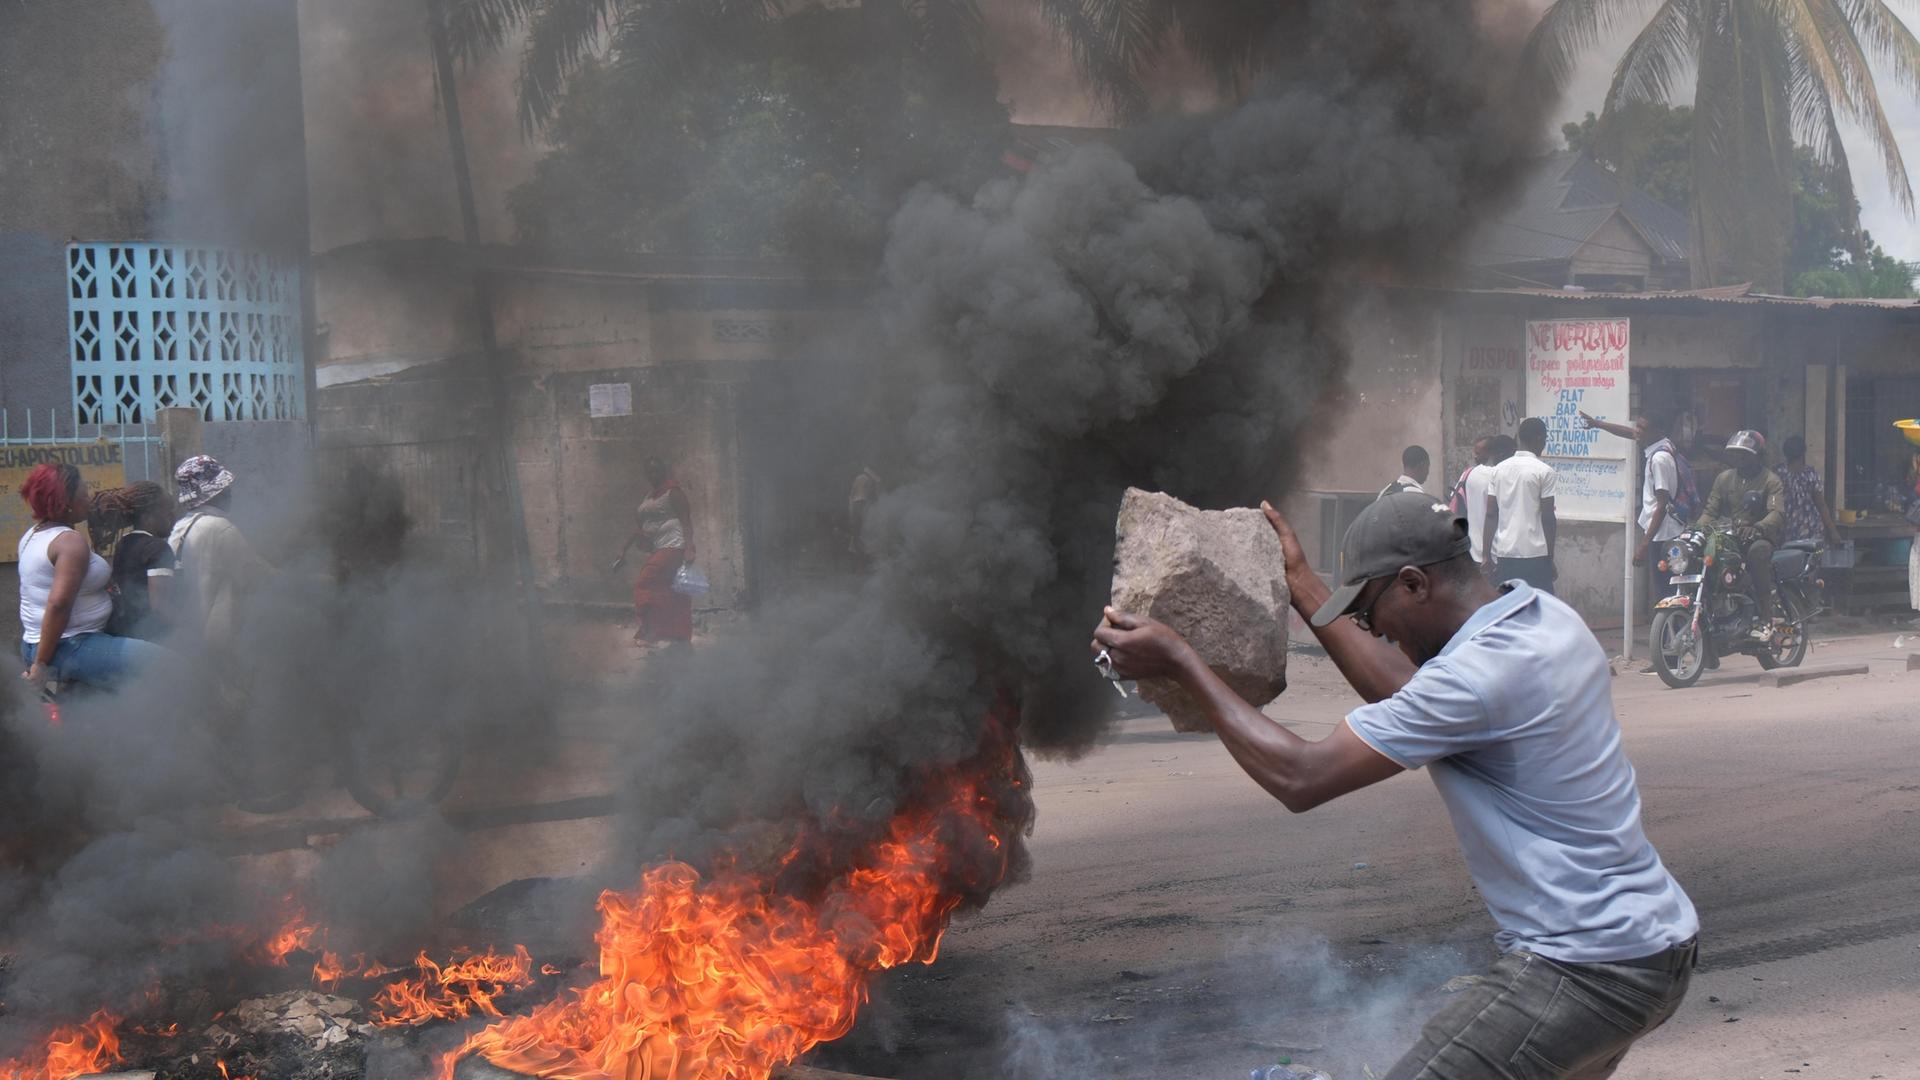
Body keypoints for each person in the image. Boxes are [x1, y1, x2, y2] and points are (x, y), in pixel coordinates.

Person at [1093, 492, 1698, 1079]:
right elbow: (1403, 689)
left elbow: (1300, 777)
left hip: (1586, 968)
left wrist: (1181, 660)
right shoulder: (1542, 617)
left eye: (1368, 614)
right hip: (1657, 944)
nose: (1375, 632)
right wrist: (1303, 583)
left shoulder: (1475, 679)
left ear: (1413, 584)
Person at [16, 463, 167, 691]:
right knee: (167, 664)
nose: (89, 499)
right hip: (70, 645)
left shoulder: (33, 535)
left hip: (39, 643)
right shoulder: (69, 542)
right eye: (83, 494)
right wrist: (40, 664)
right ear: (65, 502)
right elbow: (58, 603)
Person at [168, 455, 270, 656]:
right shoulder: (220, 528)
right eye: (225, 488)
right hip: (221, 634)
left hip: (188, 633)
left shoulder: (179, 529)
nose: (230, 493)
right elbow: (257, 577)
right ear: (216, 493)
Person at [1701, 430, 1786, 641]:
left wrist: (1758, 527)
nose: (1740, 458)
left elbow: (1777, 513)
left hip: (1761, 537)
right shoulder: (1724, 479)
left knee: (1757, 553)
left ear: (1758, 456)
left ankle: (1767, 617)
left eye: (1746, 454)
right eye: (1737, 454)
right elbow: (1710, 511)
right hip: (1731, 536)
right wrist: (1696, 530)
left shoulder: (1770, 480)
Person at [614, 457, 695, 647]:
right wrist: (623, 550)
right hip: (660, 547)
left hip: (674, 546)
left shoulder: (673, 493)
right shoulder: (649, 496)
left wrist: (690, 548)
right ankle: (678, 636)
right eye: (649, 471)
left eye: (657, 470)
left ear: (664, 471)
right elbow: (641, 527)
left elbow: (686, 521)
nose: (653, 474)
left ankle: (650, 632)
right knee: (672, 591)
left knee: (645, 584)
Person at [89, 481, 178, 641]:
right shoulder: (157, 548)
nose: (173, 517)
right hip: (152, 637)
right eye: (167, 512)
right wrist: (190, 630)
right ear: (148, 517)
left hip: (125, 632)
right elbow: (159, 607)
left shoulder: (124, 542)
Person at [1484, 417, 1557, 594]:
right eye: (1545, 440)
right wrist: (1550, 558)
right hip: (1535, 554)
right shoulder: (1545, 472)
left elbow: (1491, 514)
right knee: (1539, 608)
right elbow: (1548, 517)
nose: (1544, 444)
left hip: (1505, 554)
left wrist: (1486, 555)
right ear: (1539, 438)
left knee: (1508, 608)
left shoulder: (1497, 470)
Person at [1458, 434, 1514, 567]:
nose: (1474, 456)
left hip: (1472, 550)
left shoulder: (1468, 474)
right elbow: (1494, 512)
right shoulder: (1498, 475)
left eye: (1478, 452)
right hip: (1493, 553)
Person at [1778, 435, 1841, 549]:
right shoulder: (1810, 474)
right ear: (1803, 453)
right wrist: (1832, 530)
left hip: (1787, 529)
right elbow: (1821, 505)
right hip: (1810, 528)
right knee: (1810, 562)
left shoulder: (1778, 473)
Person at [848, 464, 883, 571]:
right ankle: (862, 565)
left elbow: (852, 496)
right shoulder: (868, 478)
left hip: (857, 505)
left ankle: (858, 566)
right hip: (861, 504)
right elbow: (876, 486)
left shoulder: (859, 478)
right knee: (862, 535)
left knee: (857, 535)